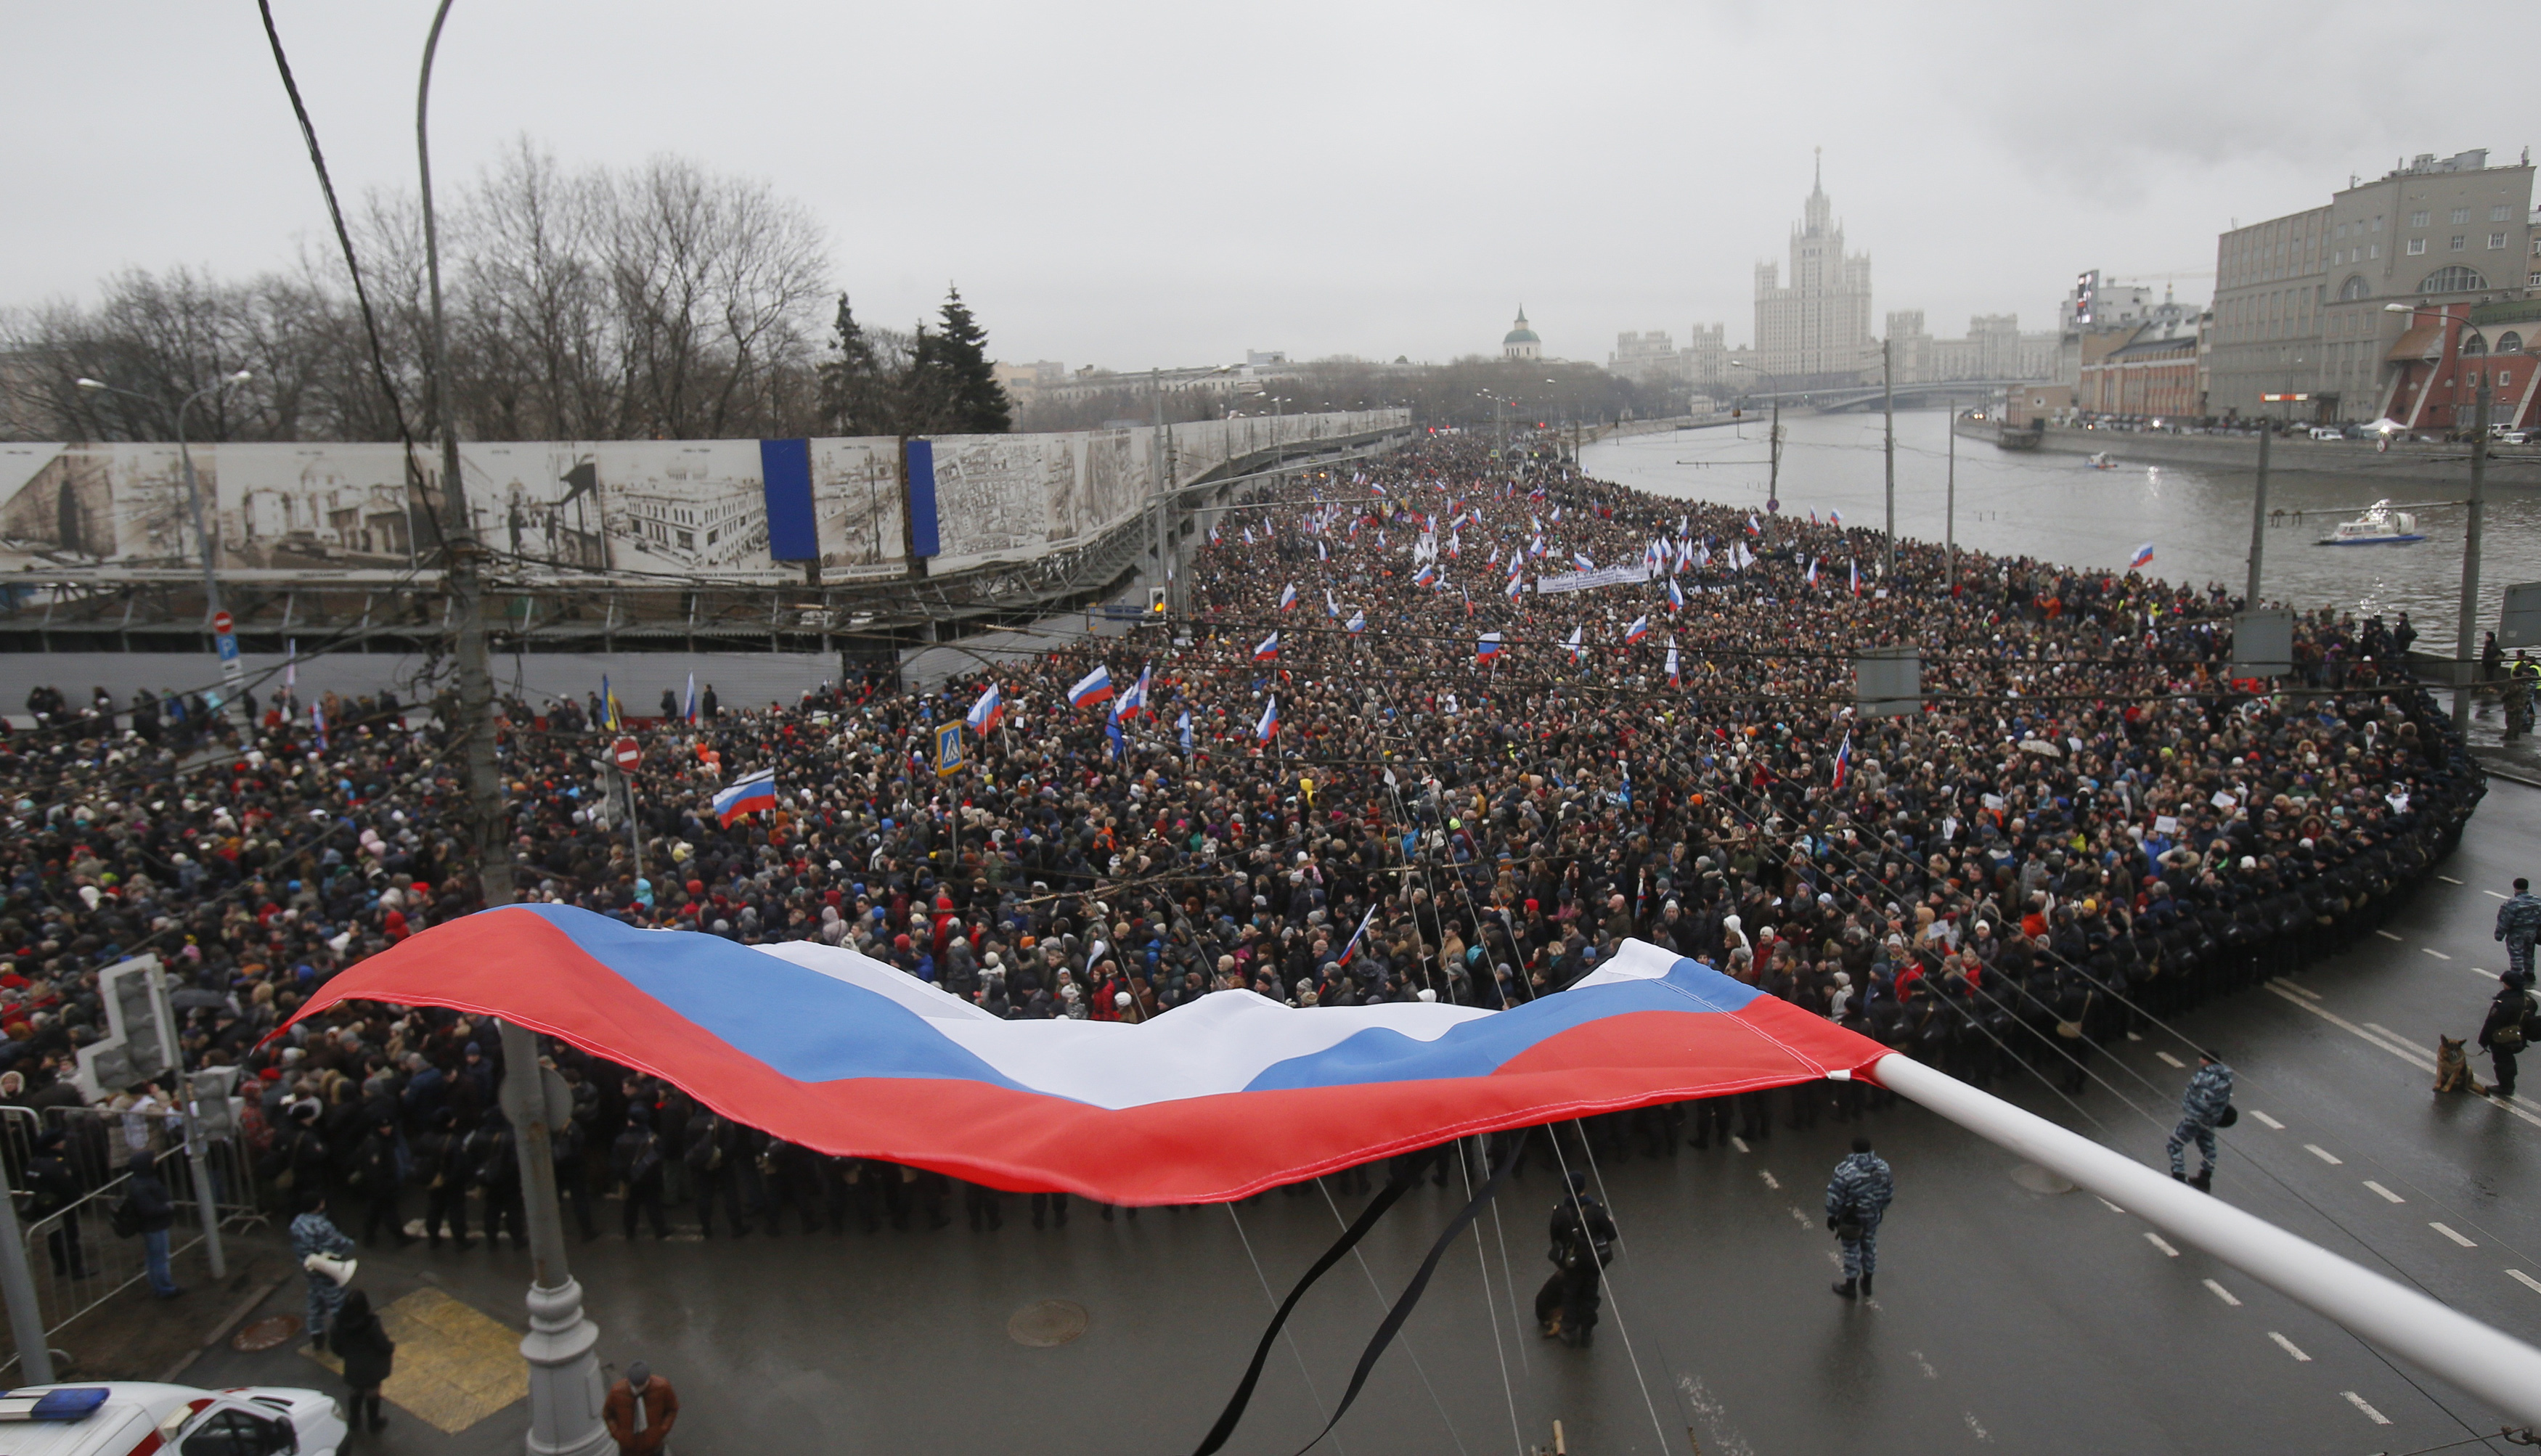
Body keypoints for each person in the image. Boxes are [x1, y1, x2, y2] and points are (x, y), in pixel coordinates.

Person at [1533, 1171, 1615, 1347]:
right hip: (1592, 1262)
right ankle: (1586, 1333)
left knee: (1570, 1295)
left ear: (1566, 1190)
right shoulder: (1596, 1210)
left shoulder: (1560, 1212)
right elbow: (1611, 1234)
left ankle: (1569, 1332)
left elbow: (1555, 1239)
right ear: (1583, 1187)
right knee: (1590, 1296)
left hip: (1571, 1264)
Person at [1825, 1135, 1893, 1299]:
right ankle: (1867, 1282)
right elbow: (1888, 1192)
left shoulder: (1845, 1170)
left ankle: (1850, 1286)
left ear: (1853, 1149)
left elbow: (1835, 1195)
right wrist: (1880, 1208)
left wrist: (1832, 1215)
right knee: (1869, 1245)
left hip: (1852, 1218)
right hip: (1873, 1214)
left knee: (1851, 1249)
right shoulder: (1883, 1167)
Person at [290, 1192, 357, 1348]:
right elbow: (340, 1244)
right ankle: (347, 1338)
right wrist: (350, 1243)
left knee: (316, 1299)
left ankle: (316, 1333)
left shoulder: (297, 1223)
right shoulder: (321, 1225)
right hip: (327, 1269)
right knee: (339, 1304)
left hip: (310, 1268)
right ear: (319, 1204)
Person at [330, 1287, 396, 1433]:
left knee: (356, 1390)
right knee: (372, 1391)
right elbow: (382, 1344)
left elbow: (335, 1346)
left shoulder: (339, 1324)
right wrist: (390, 1348)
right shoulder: (371, 1323)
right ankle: (374, 1421)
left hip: (353, 1366)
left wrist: (347, 1355)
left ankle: (354, 1420)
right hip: (372, 1367)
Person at [2167, 1050, 2234, 1191]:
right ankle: (2205, 1177)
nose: (2200, 1060)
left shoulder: (2205, 1077)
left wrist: (2192, 1112)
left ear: (2208, 1061)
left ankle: (2178, 1175)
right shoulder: (2226, 1077)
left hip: (2196, 1118)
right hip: (2211, 1119)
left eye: (2202, 1058)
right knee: (2208, 1147)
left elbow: (2199, 1098)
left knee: (2174, 1144)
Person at [118, 1150, 181, 1300]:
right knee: (160, 1259)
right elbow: (148, 1210)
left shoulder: (138, 1182)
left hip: (151, 1227)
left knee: (154, 1258)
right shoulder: (143, 1185)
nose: (155, 1162)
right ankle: (165, 1289)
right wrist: (168, 1207)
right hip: (154, 1227)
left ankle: (159, 1287)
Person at [612, 1105, 671, 1240]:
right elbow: (659, 1159)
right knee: (653, 1203)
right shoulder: (653, 1139)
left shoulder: (621, 1140)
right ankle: (660, 1229)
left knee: (630, 1205)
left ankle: (630, 1231)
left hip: (630, 1178)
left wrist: (622, 1177)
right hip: (650, 1178)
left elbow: (616, 1162)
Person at [2479, 972, 2537, 1100]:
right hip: (2519, 1037)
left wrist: (2483, 1040)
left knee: (2503, 1062)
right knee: (2508, 1061)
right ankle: (2508, 1085)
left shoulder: (2503, 1003)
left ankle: (2505, 1087)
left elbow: (2492, 1023)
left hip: (2503, 1039)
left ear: (2509, 985)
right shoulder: (2528, 1000)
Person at [603, 1359, 680, 1455]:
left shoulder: (662, 1387)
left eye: (642, 1385)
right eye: (635, 1386)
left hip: (654, 1448)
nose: (638, 1389)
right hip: (628, 1450)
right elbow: (608, 1414)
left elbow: (672, 1409)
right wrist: (618, 1434)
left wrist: (661, 1430)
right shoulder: (617, 1392)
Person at [2495, 878, 2541, 983]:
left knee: (2516, 954)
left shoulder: (2512, 903)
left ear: (2515, 887)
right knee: (2529, 952)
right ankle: (2530, 973)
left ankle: (2516, 975)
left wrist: (2499, 935)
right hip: (2532, 932)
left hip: (2516, 933)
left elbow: (2505, 920)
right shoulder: (2538, 901)